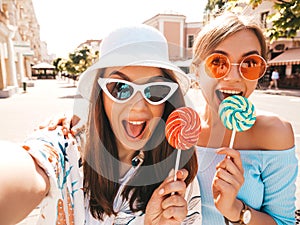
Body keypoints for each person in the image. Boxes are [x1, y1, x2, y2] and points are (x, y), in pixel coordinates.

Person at [0, 24, 202, 225]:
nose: (139, 106)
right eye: (121, 87)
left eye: (155, 90)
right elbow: (22, 169)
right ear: (100, 95)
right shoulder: (65, 152)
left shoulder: (177, 178)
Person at [190, 12, 298, 225]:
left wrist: (236, 210)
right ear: (196, 71)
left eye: (249, 64)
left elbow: (284, 222)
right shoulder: (180, 131)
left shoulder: (274, 133)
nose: (233, 76)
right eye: (218, 62)